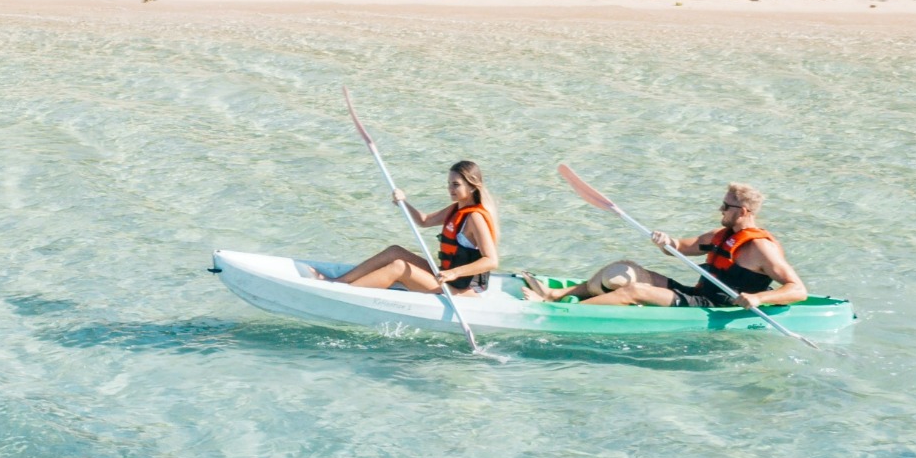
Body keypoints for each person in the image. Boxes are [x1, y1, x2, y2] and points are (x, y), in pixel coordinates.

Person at [526, 183, 806, 310]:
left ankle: (566, 312)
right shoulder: (721, 234)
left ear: (743, 211)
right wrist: (665, 241)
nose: (720, 209)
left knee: (634, 290)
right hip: (695, 294)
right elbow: (681, 247)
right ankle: (555, 294)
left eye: (726, 206)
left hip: (713, 307)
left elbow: (797, 290)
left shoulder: (761, 248)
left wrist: (759, 298)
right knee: (624, 270)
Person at [332, 160, 501, 295]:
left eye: (456, 184)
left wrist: (454, 273)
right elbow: (424, 221)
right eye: (449, 183)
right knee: (395, 251)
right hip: (446, 277)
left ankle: (344, 295)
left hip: (462, 290)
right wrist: (403, 203)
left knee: (400, 267)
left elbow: (491, 260)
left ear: (472, 186)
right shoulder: (456, 209)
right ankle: (338, 283)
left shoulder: (475, 217)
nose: (450, 189)